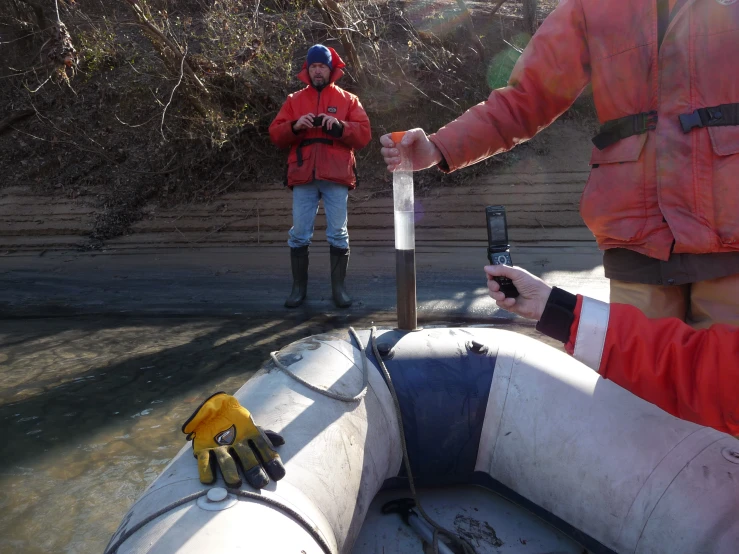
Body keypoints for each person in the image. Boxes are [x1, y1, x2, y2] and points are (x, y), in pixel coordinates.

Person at [380, 0, 739, 329]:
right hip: (638, 237)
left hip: (731, 231)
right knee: (634, 389)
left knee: (726, 389)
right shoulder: (592, 6)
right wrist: (439, 147)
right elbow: (527, 97)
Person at [484, 263, 739, 437]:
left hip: (716, 253)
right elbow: (696, 370)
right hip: (637, 249)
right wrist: (553, 307)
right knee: (631, 412)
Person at [269, 44, 371, 309]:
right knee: (299, 234)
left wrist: (340, 126)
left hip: (336, 174)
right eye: (313, 66)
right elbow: (276, 134)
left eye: (322, 66)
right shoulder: (294, 100)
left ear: (330, 70)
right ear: (307, 69)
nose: (317, 71)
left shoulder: (348, 100)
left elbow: (363, 135)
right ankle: (298, 290)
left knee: (338, 233)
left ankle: (339, 291)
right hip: (303, 175)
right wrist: (294, 126)